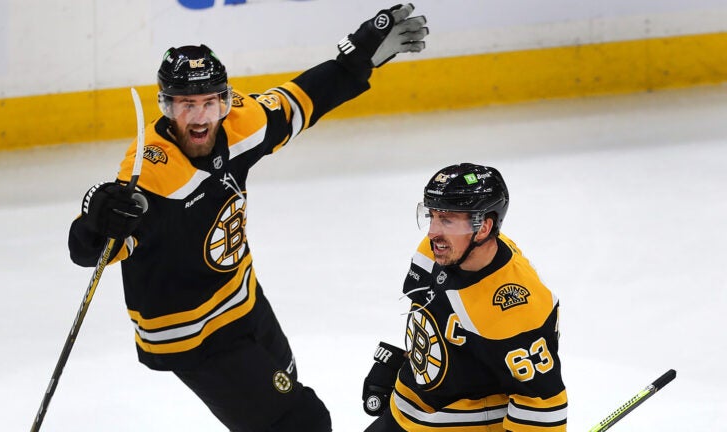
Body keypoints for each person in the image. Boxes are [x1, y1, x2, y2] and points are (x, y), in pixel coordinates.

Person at [67, 4, 428, 432]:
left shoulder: (239, 123)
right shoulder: (152, 177)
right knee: (301, 422)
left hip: (243, 300)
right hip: (190, 333)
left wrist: (356, 59)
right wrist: (96, 221)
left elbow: (300, 101)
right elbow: (91, 250)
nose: (199, 117)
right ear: (165, 106)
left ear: (224, 100)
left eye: (209, 102)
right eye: (185, 104)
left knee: (287, 385)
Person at [361, 163, 568, 431]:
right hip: (406, 418)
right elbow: (434, 319)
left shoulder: (515, 307)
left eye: (446, 220)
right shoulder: (439, 250)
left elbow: (542, 407)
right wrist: (404, 363)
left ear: (483, 228)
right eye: (432, 216)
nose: (433, 232)